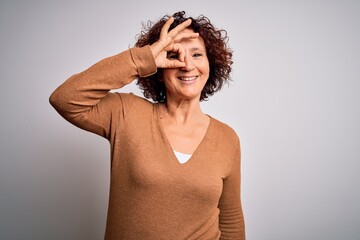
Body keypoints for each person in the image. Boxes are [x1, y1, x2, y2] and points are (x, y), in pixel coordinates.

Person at [50, 11, 245, 240]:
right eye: (174, 55)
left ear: (210, 65)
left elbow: (231, 222)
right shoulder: (127, 114)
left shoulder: (227, 138)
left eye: (197, 54)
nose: (187, 65)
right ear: (159, 69)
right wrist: (144, 58)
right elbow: (64, 98)